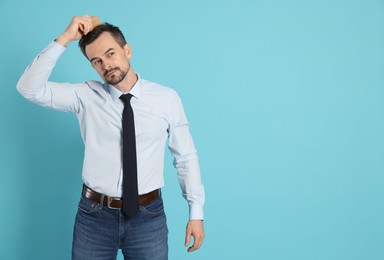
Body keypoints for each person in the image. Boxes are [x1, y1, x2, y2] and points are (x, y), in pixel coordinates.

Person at [17, 15, 205, 259]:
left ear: (127, 50)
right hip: (93, 216)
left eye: (110, 54)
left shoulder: (166, 98)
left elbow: (185, 158)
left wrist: (196, 213)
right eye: (96, 61)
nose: (106, 65)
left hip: (147, 216)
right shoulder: (84, 95)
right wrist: (65, 38)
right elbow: (28, 88)